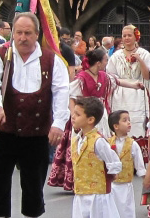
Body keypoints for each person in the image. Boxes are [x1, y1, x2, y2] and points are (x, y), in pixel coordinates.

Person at [0, 12, 70, 218]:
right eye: (18, 32)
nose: (22, 37)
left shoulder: (52, 61)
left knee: (32, 184)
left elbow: (62, 93)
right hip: (5, 129)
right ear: (12, 33)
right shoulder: (0, 57)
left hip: (38, 131)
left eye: (28, 33)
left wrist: (58, 124)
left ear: (37, 34)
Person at [48, 48, 143, 191]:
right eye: (105, 60)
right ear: (98, 63)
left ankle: (101, 176)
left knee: (101, 145)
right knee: (82, 147)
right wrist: (75, 115)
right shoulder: (82, 78)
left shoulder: (104, 76)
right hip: (84, 114)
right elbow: (71, 96)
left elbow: (118, 81)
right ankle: (80, 180)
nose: (106, 62)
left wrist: (134, 85)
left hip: (101, 116)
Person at [64, 97, 125, 218]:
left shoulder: (98, 141)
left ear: (90, 119)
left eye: (77, 114)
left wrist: (107, 178)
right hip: (81, 191)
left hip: (98, 192)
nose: (73, 117)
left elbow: (114, 162)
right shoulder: (76, 138)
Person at [106, 25, 150, 148]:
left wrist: (140, 60)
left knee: (136, 124)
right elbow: (111, 76)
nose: (126, 38)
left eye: (129, 35)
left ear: (136, 37)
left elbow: (147, 77)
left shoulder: (144, 54)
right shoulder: (116, 56)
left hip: (138, 92)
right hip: (120, 94)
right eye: (124, 35)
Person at [108, 110, 146, 218]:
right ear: (116, 126)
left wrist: (144, 176)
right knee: (111, 205)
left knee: (124, 206)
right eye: (124, 120)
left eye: (129, 120)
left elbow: (138, 162)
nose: (129, 122)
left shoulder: (133, 144)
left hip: (125, 182)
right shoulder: (108, 143)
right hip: (111, 182)